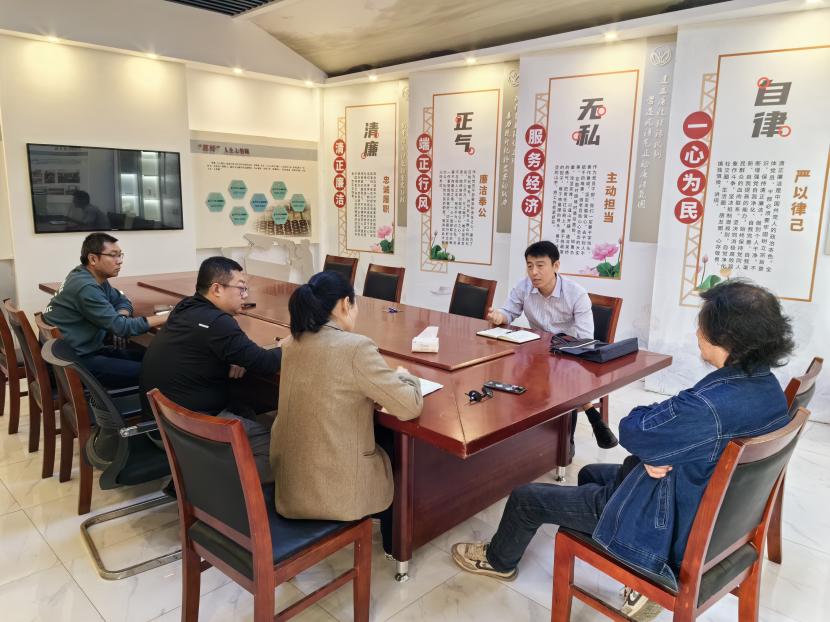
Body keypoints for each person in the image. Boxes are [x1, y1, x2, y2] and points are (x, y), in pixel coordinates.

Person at [453, 279, 794, 621]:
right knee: (590, 473)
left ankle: (499, 561)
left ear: (725, 336)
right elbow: (675, 438)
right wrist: (662, 452)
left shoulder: (707, 407)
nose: (697, 333)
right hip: (706, 507)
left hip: (665, 519)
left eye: (702, 325)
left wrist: (658, 446)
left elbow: (633, 428)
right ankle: (617, 550)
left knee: (526, 498)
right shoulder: (769, 389)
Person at [270, 270, 423, 554]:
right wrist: (405, 375)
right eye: (355, 304)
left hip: (290, 488)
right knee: (397, 443)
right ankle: (395, 544)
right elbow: (409, 406)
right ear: (344, 304)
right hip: (336, 494)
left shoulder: (291, 343)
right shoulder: (356, 348)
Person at [139, 257, 282, 482]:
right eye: (241, 288)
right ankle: (217, 488)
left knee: (246, 407)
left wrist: (233, 357)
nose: (245, 296)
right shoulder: (217, 323)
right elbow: (265, 363)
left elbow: (200, 348)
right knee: (276, 449)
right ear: (216, 289)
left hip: (164, 421)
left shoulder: (185, 307)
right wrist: (288, 346)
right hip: (187, 429)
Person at [487, 240, 617, 448]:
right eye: (530, 266)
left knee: (562, 381)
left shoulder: (576, 294)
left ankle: (565, 445)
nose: (534, 272)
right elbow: (509, 312)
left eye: (540, 265)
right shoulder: (523, 287)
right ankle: (586, 413)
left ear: (556, 266)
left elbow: (585, 339)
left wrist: (564, 356)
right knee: (515, 371)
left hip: (569, 352)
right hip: (538, 352)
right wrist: (498, 316)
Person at [44, 232, 165, 388]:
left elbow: (122, 300)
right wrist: (169, 316)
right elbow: (122, 328)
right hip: (75, 363)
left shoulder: (87, 275)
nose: (120, 261)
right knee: (157, 372)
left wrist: (121, 315)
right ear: (93, 259)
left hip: (78, 352)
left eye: (120, 255)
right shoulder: (86, 287)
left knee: (155, 359)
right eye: (113, 255)